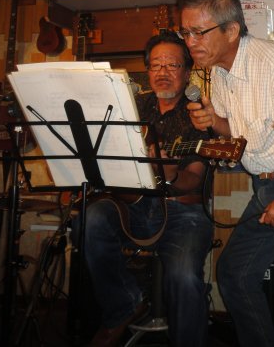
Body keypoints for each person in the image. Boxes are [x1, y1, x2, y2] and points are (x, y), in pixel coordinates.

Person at [176, 0, 274, 347]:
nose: (191, 42)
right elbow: (238, 131)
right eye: (185, 32)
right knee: (235, 274)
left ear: (231, 30)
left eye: (199, 32)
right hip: (266, 187)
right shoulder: (219, 72)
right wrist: (214, 121)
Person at [81, 32, 214, 347]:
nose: (162, 72)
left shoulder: (198, 114)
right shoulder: (131, 106)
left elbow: (194, 180)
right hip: (134, 206)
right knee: (90, 218)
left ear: (187, 71)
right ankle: (124, 304)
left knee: (183, 276)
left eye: (172, 65)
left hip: (184, 212)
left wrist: (169, 175)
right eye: (156, 65)